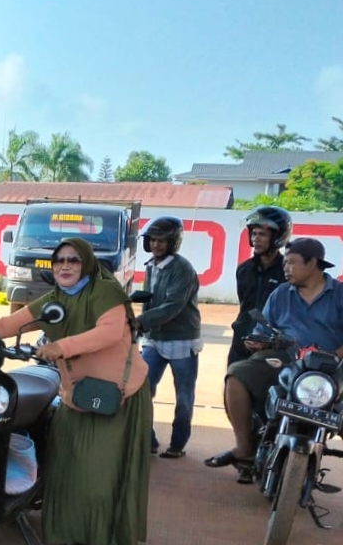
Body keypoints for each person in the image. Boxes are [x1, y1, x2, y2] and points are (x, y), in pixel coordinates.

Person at [0, 237, 151, 545]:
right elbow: (9, 323)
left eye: (73, 260)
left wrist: (61, 346)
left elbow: (108, 332)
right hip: (76, 395)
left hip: (117, 396)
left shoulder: (106, 292)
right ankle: (72, 535)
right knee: (68, 468)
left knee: (102, 472)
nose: (65, 266)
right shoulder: (56, 298)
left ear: (87, 263)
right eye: (59, 260)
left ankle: (104, 541)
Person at [205, 237, 343, 484]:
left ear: (313, 263)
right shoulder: (280, 294)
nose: (285, 268)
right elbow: (262, 330)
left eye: (291, 263)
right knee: (237, 375)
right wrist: (258, 342)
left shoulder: (340, 295)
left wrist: (336, 355)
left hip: (332, 367)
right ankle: (244, 448)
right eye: (285, 263)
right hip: (285, 360)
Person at [136, 216, 202, 459]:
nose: (156, 245)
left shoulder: (182, 268)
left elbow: (173, 305)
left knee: (183, 396)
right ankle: (149, 439)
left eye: (162, 240)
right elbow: (152, 299)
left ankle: (177, 444)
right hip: (155, 338)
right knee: (141, 390)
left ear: (173, 242)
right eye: (152, 240)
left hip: (182, 339)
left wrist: (140, 321)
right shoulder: (151, 266)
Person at [227, 207, 289, 366]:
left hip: (273, 347)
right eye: (253, 233)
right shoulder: (244, 269)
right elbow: (245, 306)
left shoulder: (287, 272)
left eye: (262, 234)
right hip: (241, 342)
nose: (256, 239)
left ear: (277, 237)